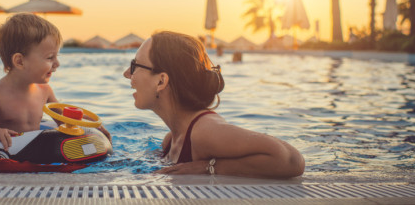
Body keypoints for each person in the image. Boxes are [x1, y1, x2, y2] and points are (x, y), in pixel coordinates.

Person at [123, 31, 304, 179]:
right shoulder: (170, 140)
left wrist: (208, 167)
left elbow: (290, 160)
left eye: (135, 66)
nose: (126, 74)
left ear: (161, 81)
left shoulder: (203, 132)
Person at [0, 13, 63, 156]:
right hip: (6, 158)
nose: (57, 64)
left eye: (57, 57)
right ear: (20, 61)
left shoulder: (45, 91)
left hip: (34, 155)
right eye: (49, 58)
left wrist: (91, 127)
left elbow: (64, 121)